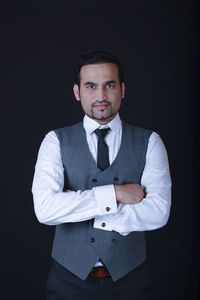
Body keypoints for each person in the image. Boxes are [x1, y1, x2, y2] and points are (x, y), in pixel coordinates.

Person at [32, 50, 171, 300]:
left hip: (131, 282)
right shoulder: (54, 141)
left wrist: (74, 206)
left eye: (109, 85)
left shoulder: (150, 142)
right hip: (68, 282)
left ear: (122, 89)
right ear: (77, 92)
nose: (101, 96)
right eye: (90, 86)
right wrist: (116, 194)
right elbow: (45, 210)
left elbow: (158, 212)